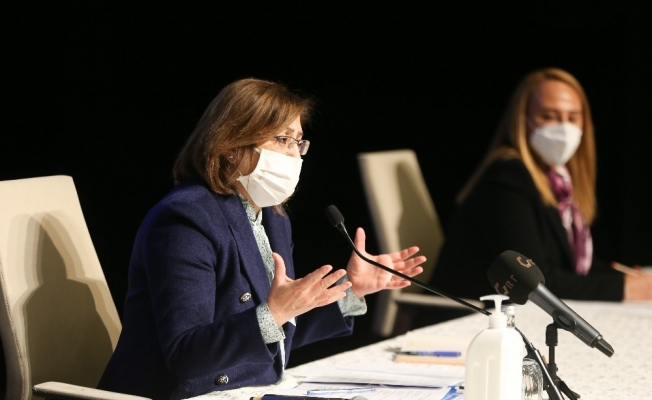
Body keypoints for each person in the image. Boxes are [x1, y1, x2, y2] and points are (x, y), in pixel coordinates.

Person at [97, 78, 425, 400]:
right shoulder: (186, 218)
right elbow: (186, 354)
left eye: (298, 142)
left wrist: (350, 290)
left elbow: (275, 334)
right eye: (282, 140)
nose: (294, 155)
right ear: (229, 146)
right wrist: (273, 313)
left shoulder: (273, 217)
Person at [430, 67, 652, 303]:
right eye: (549, 116)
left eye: (572, 118)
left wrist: (623, 277)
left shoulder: (558, 180)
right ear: (522, 120)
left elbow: (570, 264)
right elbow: (534, 283)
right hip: (465, 315)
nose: (564, 128)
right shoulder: (507, 177)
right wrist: (624, 288)